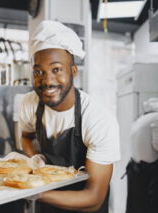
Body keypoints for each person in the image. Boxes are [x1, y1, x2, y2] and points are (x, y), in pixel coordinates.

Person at [18, 20, 120, 213]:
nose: (47, 81)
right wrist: (35, 161)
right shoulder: (29, 104)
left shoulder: (98, 119)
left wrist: (34, 192)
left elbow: (93, 199)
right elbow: (26, 136)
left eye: (57, 69)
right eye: (38, 71)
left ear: (74, 71)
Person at [126, 98, 158, 213]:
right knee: (151, 206)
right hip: (149, 171)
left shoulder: (141, 119)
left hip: (135, 169)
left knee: (136, 205)